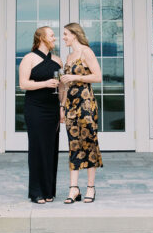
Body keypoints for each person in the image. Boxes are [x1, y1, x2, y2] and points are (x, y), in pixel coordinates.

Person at [59, 22, 103, 204]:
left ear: (75, 35)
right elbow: (65, 85)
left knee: (89, 143)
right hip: (70, 105)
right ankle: (74, 188)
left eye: (66, 34)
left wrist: (76, 77)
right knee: (73, 144)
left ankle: (91, 188)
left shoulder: (86, 52)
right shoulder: (68, 57)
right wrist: (62, 107)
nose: (63, 38)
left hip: (86, 104)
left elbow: (98, 77)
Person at [18, 25, 62, 204]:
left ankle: (49, 190)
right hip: (35, 108)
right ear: (41, 38)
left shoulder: (58, 60)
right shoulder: (28, 58)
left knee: (51, 148)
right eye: (52, 35)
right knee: (37, 148)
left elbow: (62, 87)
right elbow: (23, 85)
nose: (55, 38)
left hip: (52, 109)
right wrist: (45, 83)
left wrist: (62, 107)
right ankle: (36, 192)